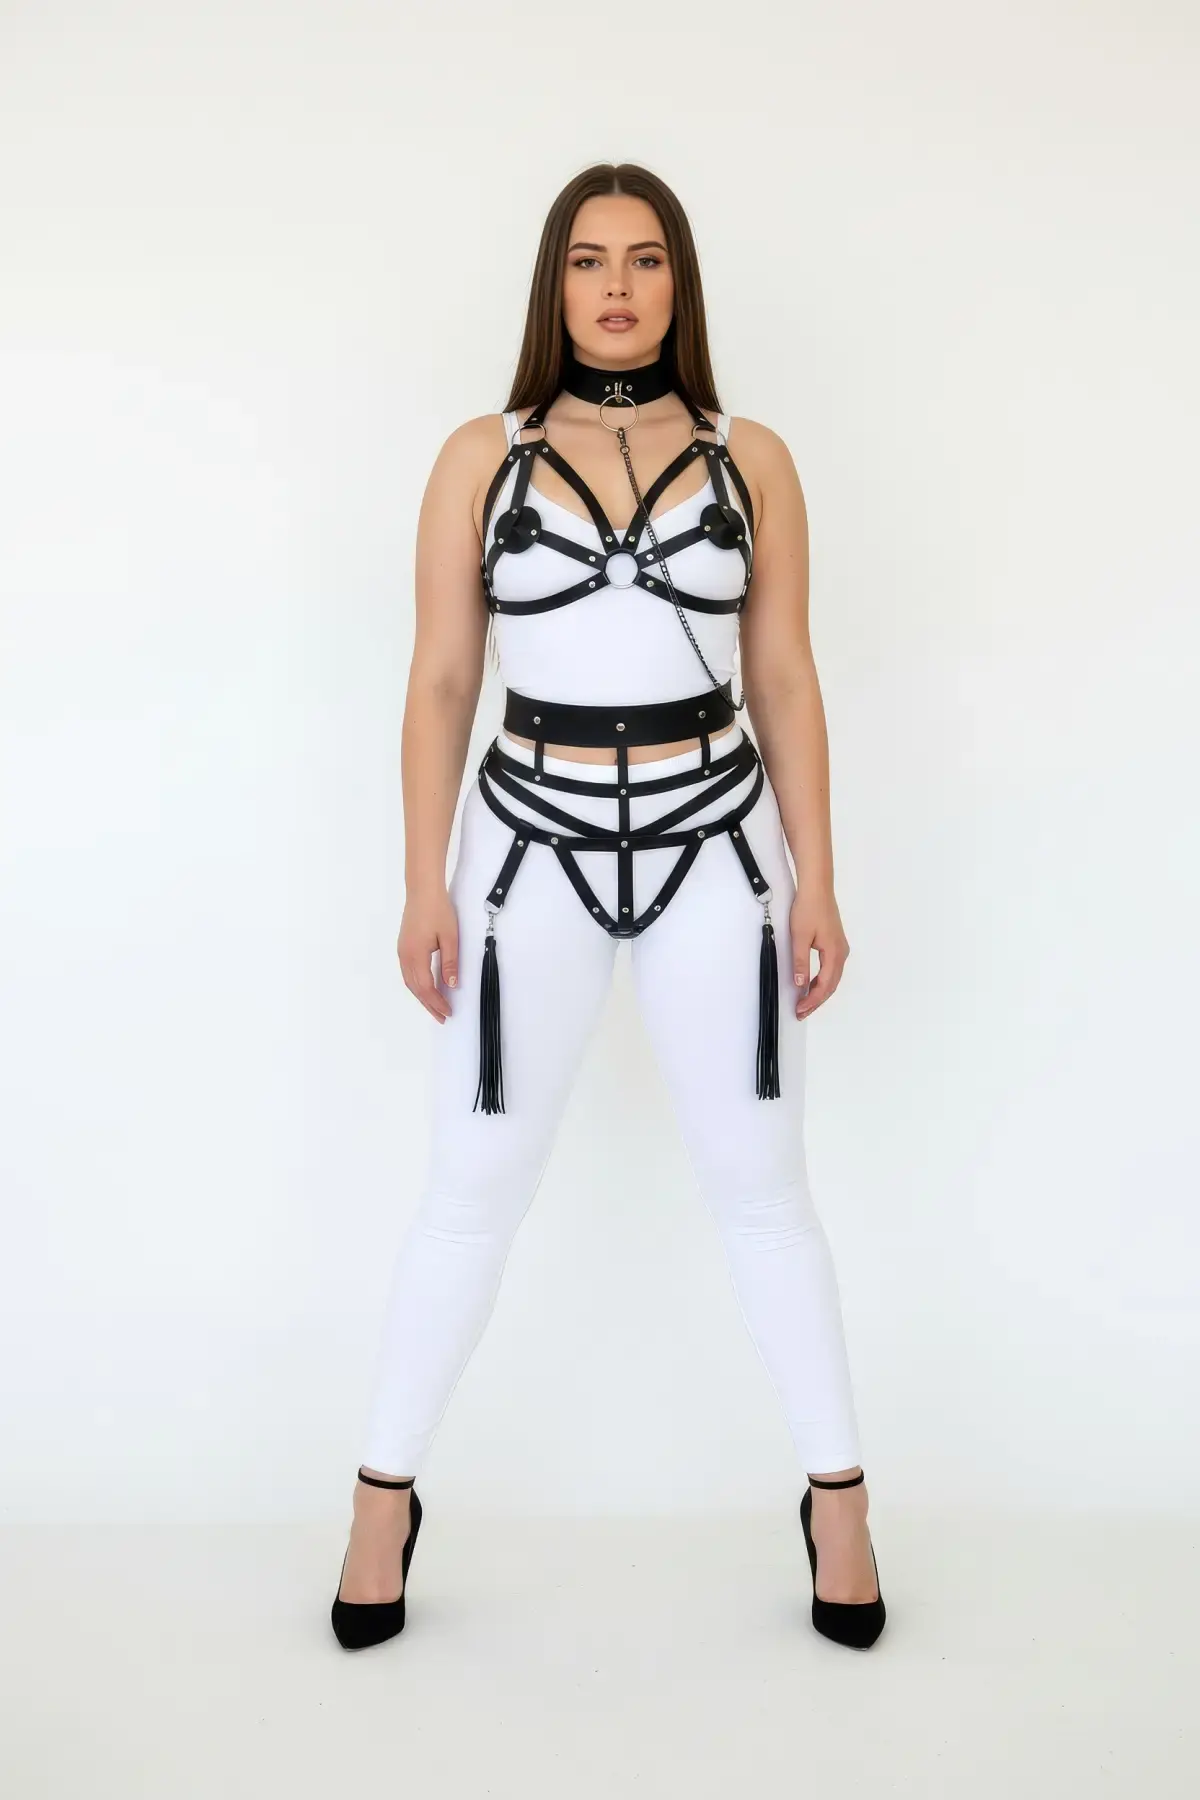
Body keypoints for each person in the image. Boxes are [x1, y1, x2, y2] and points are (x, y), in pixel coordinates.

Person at [330, 162, 886, 1653]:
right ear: (555, 283)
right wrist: (421, 878)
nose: (618, 286)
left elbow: (784, 677)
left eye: (645, 259)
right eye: (589, 261)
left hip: (720, 849)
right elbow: (443, 681)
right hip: (526, 855)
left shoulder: (755, 459)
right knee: (471, 1183)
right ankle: (381, 1501)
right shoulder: (482, 456)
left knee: (763, 1181)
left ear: (680, 282)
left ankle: (840, 1503)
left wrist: (820, 876)